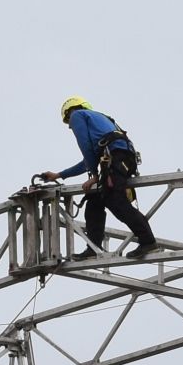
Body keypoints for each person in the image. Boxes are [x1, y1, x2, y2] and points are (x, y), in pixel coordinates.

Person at [39, 96, 159, 260]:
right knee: (94, 202)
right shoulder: (99, 121)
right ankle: (93, 248)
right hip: (118, 159)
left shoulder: (77, 115)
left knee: (116, 200)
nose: (71, 126)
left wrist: (95, 176)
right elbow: (87, 162)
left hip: (116, 159)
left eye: (69, 122)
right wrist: (59, 175)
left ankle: (148, 241)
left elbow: (85, 147)